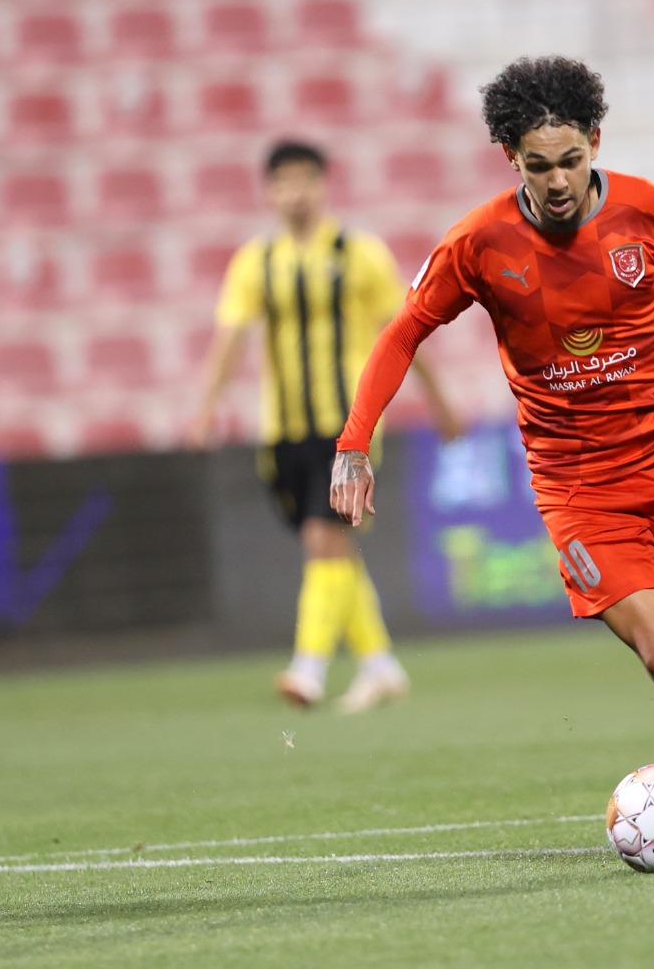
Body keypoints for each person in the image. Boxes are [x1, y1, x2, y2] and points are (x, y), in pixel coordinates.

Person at [329, 57, 654, 858]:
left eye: (571, 159)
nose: (559, 180)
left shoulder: (648, 213)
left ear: (595, 141)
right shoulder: (478, 242)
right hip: (581, 490)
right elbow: (403, 332)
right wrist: (354, 442)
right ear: (511, 158)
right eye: (539, 165)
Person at [192, 140, 463, 713]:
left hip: (349, 429)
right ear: (269, 192)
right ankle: (380, 664)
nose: (295, 193)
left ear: (323, 185)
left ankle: (308, 667)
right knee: (331, 547)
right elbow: (231, 338)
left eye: (305, 180)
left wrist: (440, 403)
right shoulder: (256, 262)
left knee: (323, 538)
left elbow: (404, 331)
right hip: (283, 432)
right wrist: (207, 406)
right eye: (283, 182)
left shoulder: (360, 253)